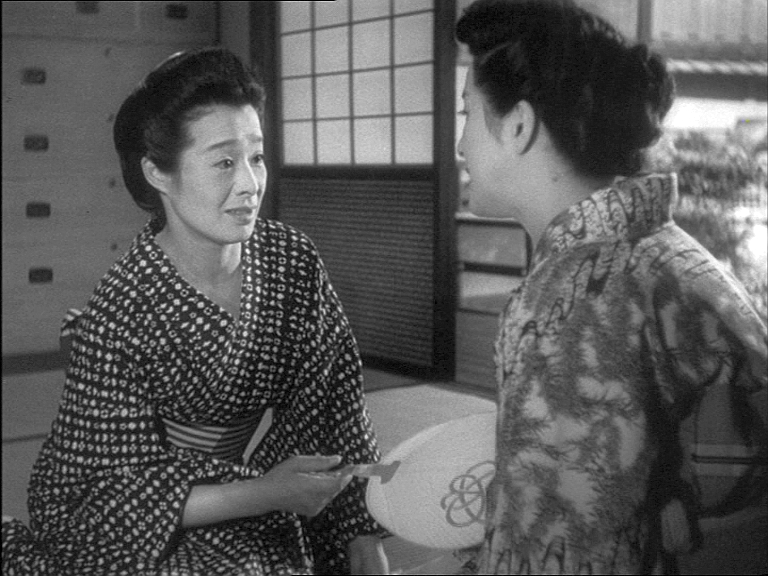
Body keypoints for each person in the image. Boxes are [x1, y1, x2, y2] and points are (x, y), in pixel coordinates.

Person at [1, 46, 389, 575]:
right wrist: (267, 492)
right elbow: (111, 492)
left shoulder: (292, 259)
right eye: (224, 162)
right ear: (158, 173)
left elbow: (335, 403)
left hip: (258, 481)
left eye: (256, 157)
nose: (250, 183)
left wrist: (362, 535)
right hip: (124, 514)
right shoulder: (122, 305)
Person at [455, 0, 767, 574]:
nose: (460, 146)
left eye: (467, 113)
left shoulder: (574, 303)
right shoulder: (668, 253)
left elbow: (557, 553)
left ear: (518, 126)